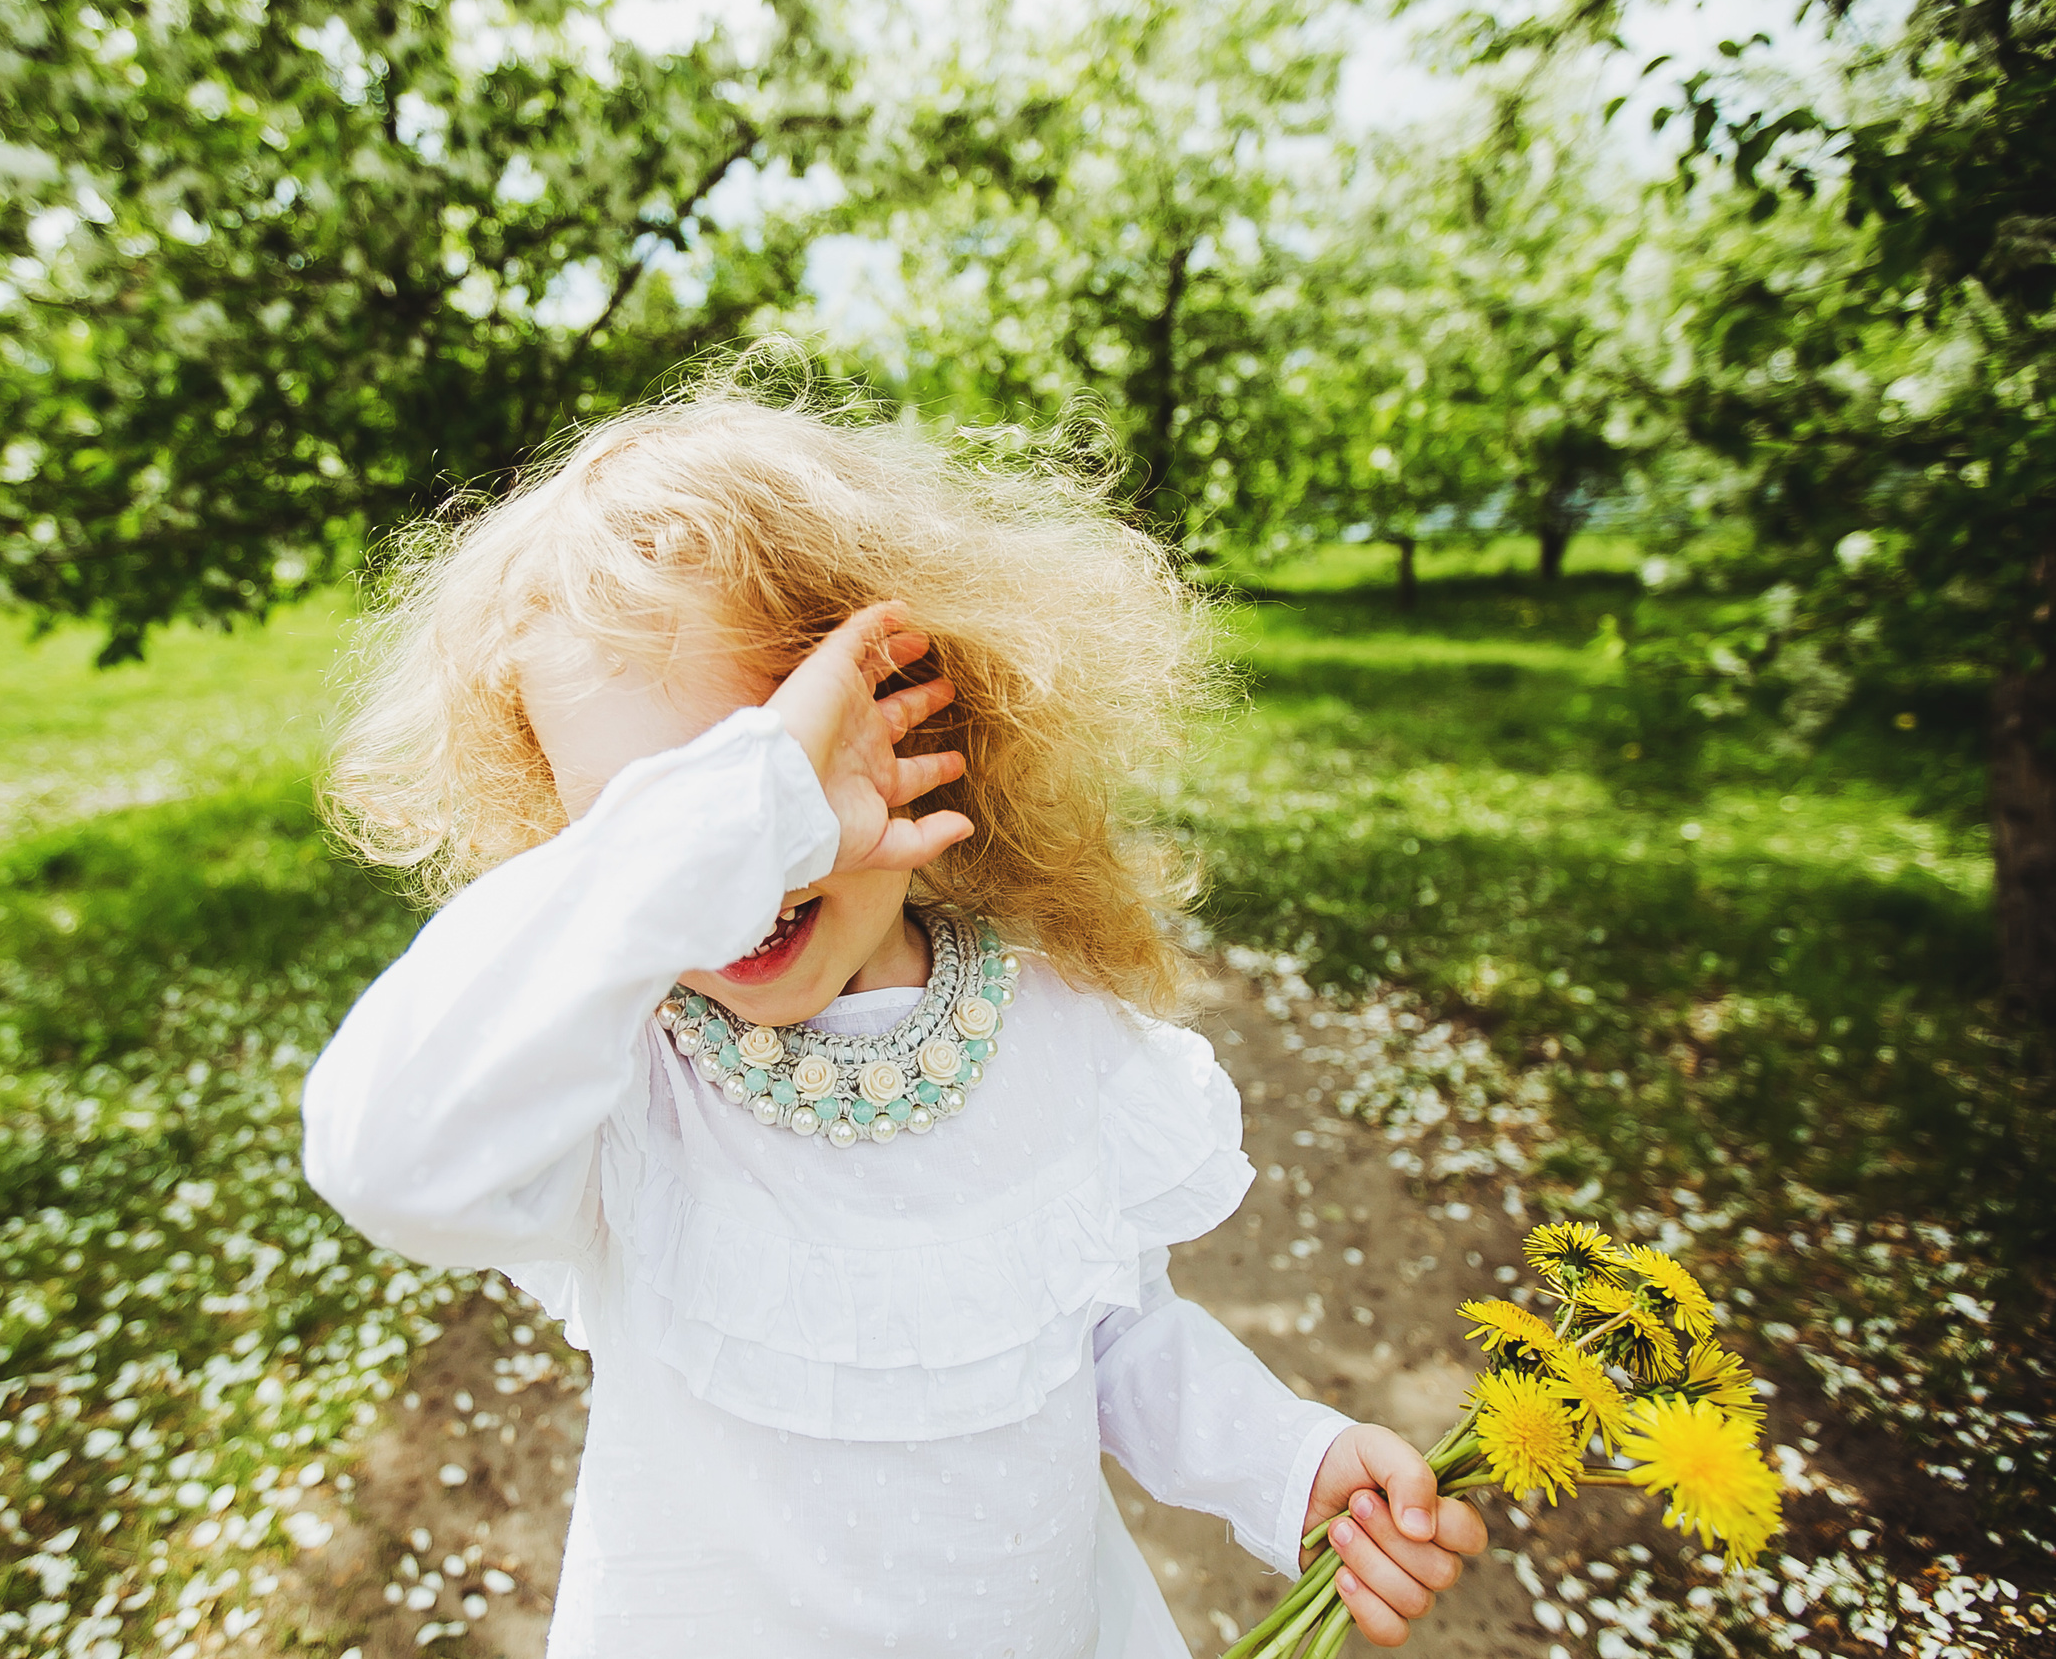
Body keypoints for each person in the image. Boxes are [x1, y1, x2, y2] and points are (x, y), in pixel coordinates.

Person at [303, 378, 1486, 1658]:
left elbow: (1104, 1333)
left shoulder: (1054, 1024)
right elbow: (386, 1156)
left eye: (776, 763)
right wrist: (714, 828)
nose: (742, 868)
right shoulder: (622, 1084)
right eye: (651, 820)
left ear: (916, 716)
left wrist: (1285, 1460)